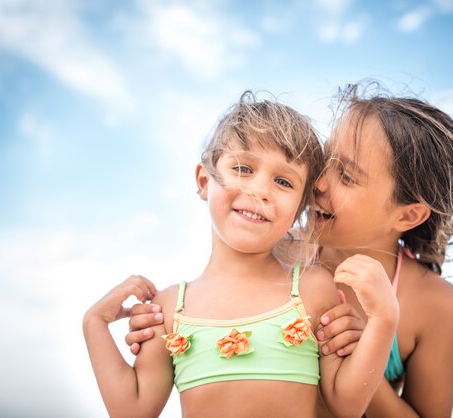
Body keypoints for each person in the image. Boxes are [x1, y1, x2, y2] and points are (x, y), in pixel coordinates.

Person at [126, 83, 453, 418]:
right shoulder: (272, 251)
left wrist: (363, 354)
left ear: (408, 214)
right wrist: (158, 321)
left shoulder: (436, 306)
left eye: (347, 177)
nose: (318, 184)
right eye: (327, 160)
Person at [83, 91, 399, 418]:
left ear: (299, 210)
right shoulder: (168, 308)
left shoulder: (312, 289)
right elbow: (133, 410)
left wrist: (383, 320)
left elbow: (345, 405)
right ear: (204, 181)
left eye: (283, 181)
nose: (260, 190)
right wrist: (94, 323)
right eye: (243, 168)